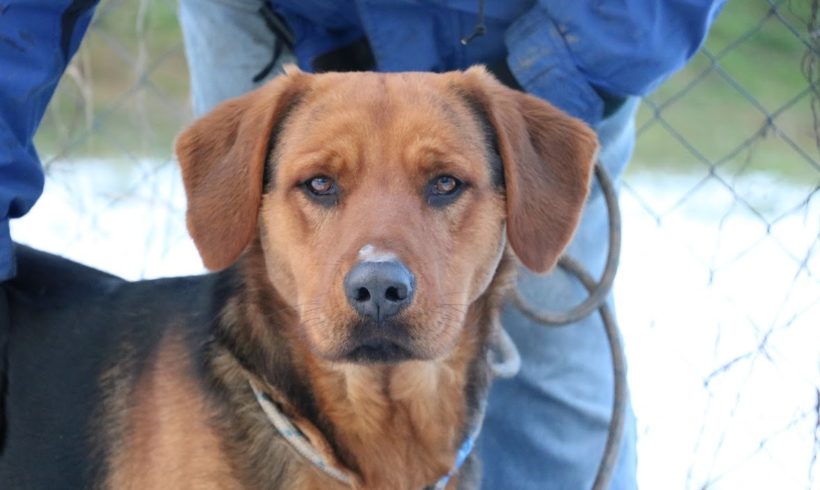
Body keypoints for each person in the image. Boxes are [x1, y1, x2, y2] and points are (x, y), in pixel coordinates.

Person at [0, 1, 724, 487]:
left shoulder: (522, 152)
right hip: (279, 11)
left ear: (516, 201)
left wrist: (551, 70)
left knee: (560, 419)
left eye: (442, 186)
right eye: (320, 187)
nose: (377, 272)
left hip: (549, 30)